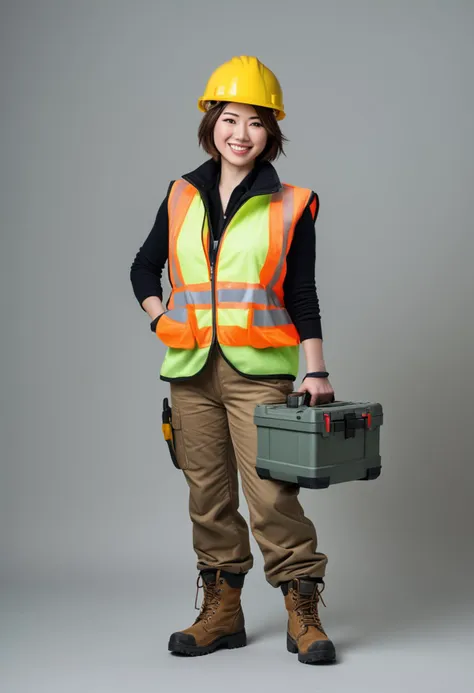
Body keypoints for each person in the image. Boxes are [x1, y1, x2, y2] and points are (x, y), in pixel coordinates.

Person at [130, 56, 336, 665]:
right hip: (190, 371)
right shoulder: (180, 195)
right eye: (229, 118)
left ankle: (303, 611)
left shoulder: (292, 203)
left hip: (260, 372)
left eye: (255, 122)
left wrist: (316, 368)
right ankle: (222, 612)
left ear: (272, 132)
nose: (240, 133)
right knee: (207, 494)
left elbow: (303, 293)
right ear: (211, 124)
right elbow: (144, 267)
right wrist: (157, 316)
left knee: (272, 495)